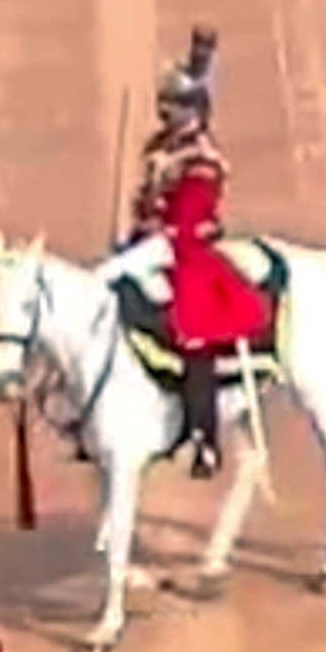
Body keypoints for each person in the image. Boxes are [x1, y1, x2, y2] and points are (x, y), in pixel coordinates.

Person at [111, 28, 277, 475]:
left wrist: (154, 235)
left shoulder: (201, 158)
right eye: (163, 103)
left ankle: (202, 436)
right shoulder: (162, 148)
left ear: (195, 110)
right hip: (152, 244)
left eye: (175, 104)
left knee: (194, 329)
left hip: (187, 250)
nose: (165, 110)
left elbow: (188, 217)